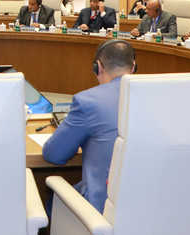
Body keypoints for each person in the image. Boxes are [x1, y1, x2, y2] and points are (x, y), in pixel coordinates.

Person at [43, 40, 135, 212]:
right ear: (134, 67)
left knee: (48, 202)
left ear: (98, 67)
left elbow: (54, 155)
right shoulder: (155, 100)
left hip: (98, 212)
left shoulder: (87, 101)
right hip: (144, 208)